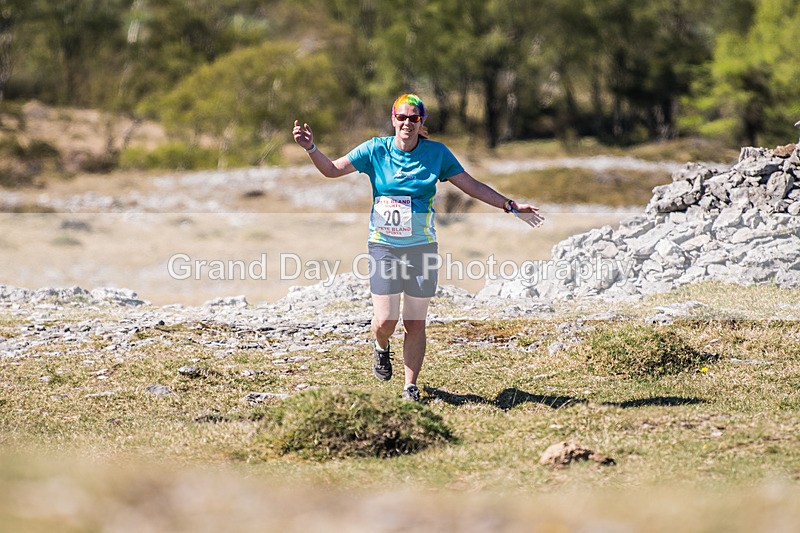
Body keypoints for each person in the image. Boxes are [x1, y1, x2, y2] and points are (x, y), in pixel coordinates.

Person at [292, 93, 543, 401]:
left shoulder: (437, 154)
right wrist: (311, 148)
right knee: (386, 321)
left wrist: (510, 205)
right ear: (393, 119)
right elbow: (332, 170)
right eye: (402, 117)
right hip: (383, 247)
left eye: (414, 118)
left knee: (415, 322)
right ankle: (381, 346)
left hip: (421, 249)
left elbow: (472, 185)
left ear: (422, 122)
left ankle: (410, 386)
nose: (407, 123)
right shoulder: (375, 150)